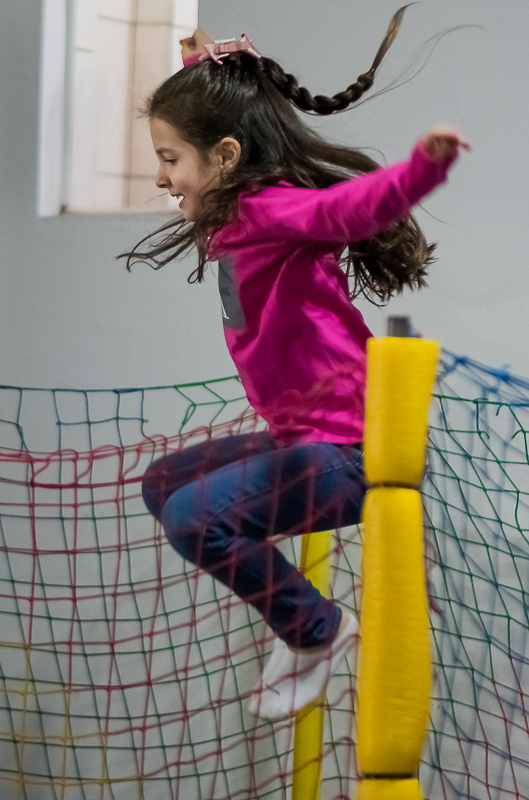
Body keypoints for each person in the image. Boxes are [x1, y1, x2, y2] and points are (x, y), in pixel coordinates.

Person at [123, 6, 466, 720]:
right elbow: (223, 120)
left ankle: (317, 631)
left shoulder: (268, 210)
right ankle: (308, 627)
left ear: (224, 157)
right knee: (163, 485)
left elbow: (347, 211)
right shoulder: (232, 215)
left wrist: (422, 170)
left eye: (169, 159)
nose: (161, 178)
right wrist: (200, 65)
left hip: (354, 454)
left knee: (193, 518)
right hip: (306, 442)